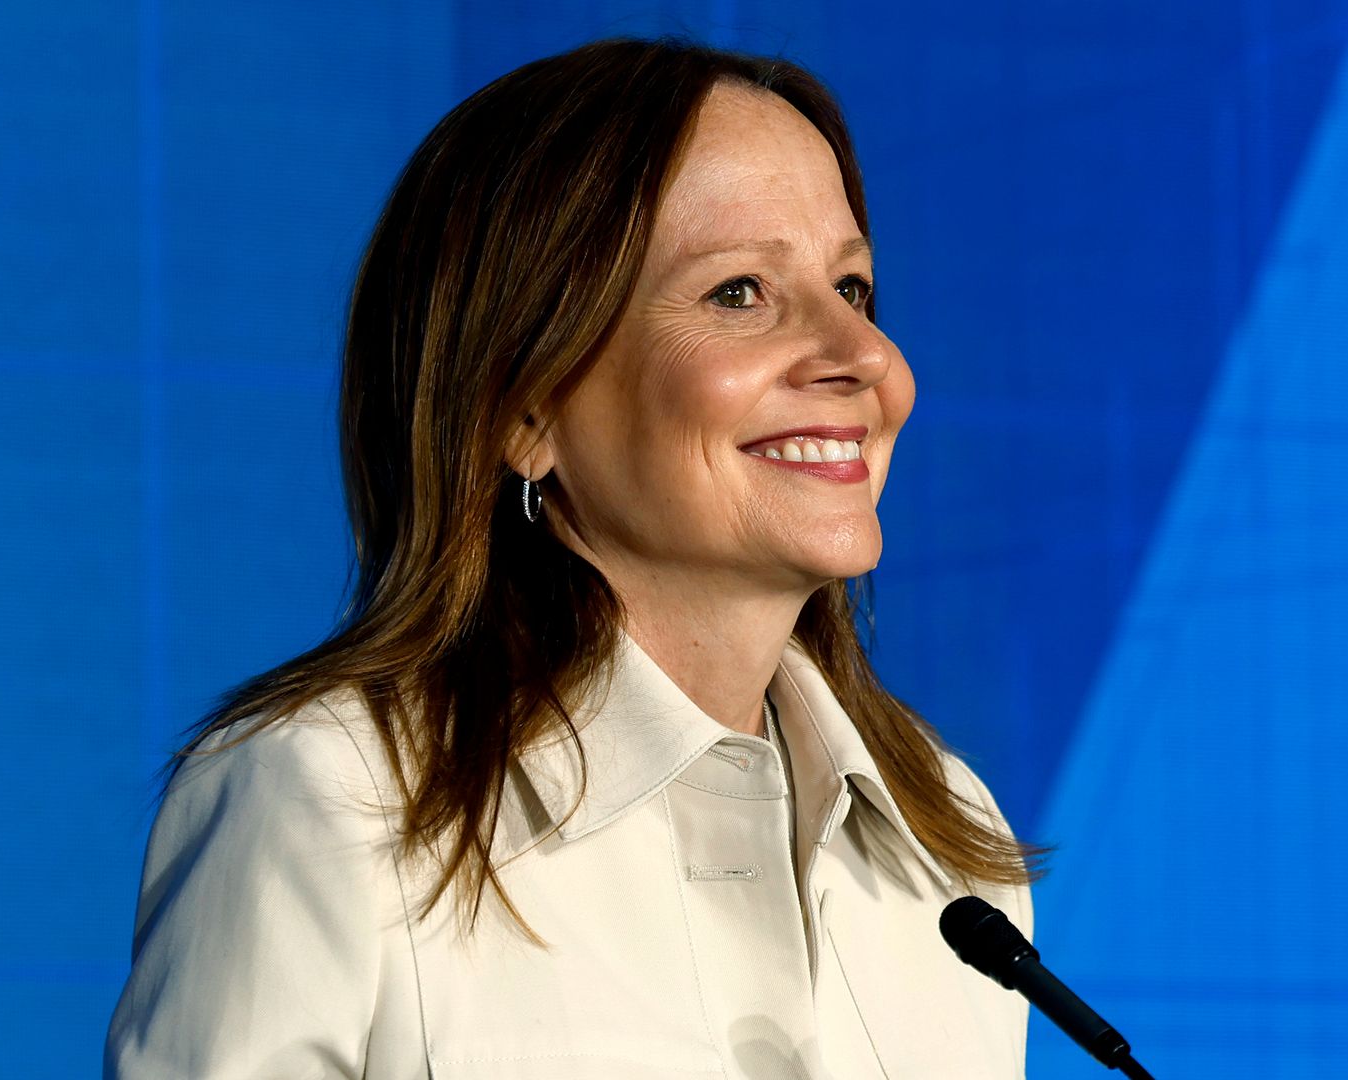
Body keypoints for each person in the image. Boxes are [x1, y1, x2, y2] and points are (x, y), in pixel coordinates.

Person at [103, 36, 1042, 1080]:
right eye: (740, 292)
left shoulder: (947, 839)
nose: (865, 357)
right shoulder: (326, 797)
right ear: (526, 403)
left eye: (853, 288)